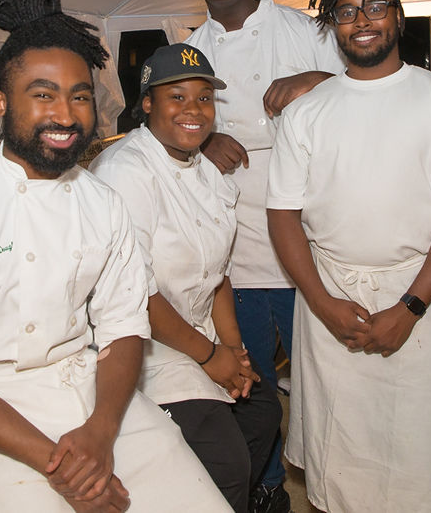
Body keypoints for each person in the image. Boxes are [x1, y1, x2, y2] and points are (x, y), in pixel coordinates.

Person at [0, 0, 231, 513]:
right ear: (2, 103)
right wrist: (66, 469)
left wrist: (100, 436)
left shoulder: (102, 202)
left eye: (79, 96)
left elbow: (124, 327)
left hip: (99, 398)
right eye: (43, 94)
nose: (65, 113)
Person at [266, 0, 431, 513]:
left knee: (413, 453)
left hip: (417, 295)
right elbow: (283, 215)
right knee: (338, 457)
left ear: (396, 15)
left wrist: (409, 308)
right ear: (332, 25)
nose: (361, 20)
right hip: (329, 297)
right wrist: (320, 301)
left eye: (374, 6)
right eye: (346, 11)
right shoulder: (308, 113)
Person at [182, 0, 344, 512]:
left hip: (309, 234)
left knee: (325, 381)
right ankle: (267, 484)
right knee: (246, 384)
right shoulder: (192, 50)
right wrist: (203, 140)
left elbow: (361, 87)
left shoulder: (303, 29)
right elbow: (175, 121)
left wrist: (316, 78)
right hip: (239, 244)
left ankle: (333, 483)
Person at [90, 43, 283, 513]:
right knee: (224, 460)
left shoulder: (207, 172)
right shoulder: (126, 172)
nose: (193, 110)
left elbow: (216, 275)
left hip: (200, 336)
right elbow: (135, 293)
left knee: (263, 412)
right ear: (148, 103)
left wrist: (234, 351)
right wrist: (211, 357)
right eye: (176, 97)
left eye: (203, 98)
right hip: (142, 348)